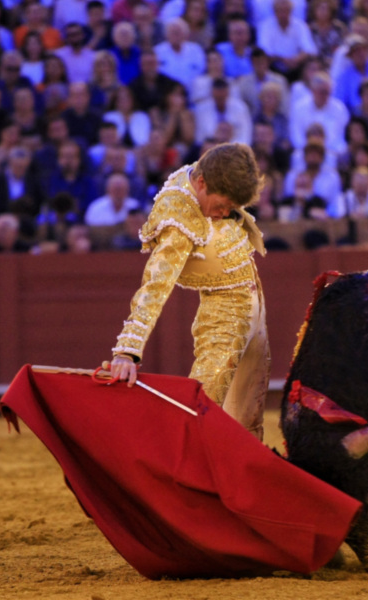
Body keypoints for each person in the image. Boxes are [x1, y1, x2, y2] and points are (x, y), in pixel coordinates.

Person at [110, 142, 269, 440]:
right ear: (201, 183)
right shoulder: (179, 217)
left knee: (247, 417)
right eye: (221, 206)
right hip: (223, 311)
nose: (223, 214)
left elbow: (226, 161)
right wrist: (127, 351)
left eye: (231, 209)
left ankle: (239, 482)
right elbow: (156, 284)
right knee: (200, 408)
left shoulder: (209, 172)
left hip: (253, 298)